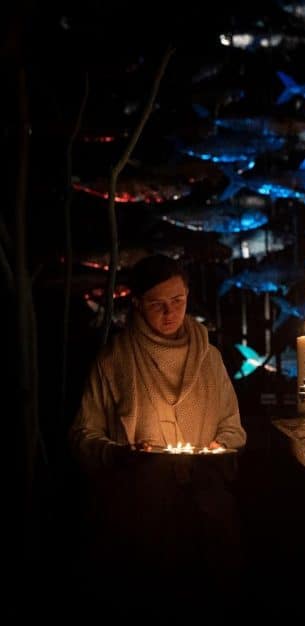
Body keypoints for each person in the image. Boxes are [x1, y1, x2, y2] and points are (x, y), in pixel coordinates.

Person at [69, 254, 247, 608]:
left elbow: (232, 426)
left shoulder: (209, 359)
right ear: (137, 303)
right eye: (157, 304)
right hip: (140, 515)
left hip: (206, 512)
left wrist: (218, 447)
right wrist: (118, 454)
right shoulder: (115, 361)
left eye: (178, 301)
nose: (170, 313)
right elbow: (82, 435)